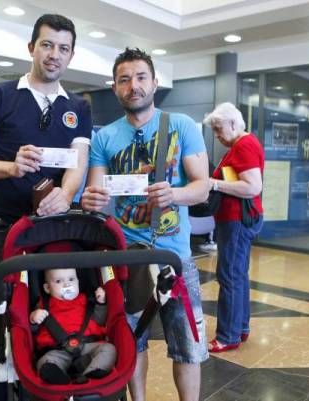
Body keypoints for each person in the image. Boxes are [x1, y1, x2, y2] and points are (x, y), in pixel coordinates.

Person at [0, 14, 92, 401]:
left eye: (64, 48)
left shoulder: (79, 107)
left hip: (52, 232)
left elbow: (78, 162)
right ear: (32, 47)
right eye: (48, 45)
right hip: (4, 230)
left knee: (47, 319)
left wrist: (68, 195)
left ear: (71, 55)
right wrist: (11, 166)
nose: (55, 54)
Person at [80, 47, 209, 401]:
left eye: (140, 78)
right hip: (128, 258)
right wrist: (90, 201)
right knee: (132, 341)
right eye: (124, 80)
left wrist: (174, 195)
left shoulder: (181, 126)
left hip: (175, 258)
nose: (133, 86)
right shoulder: (104, 138)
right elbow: (98, 192)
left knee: (187, 345)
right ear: (115, 87)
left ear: (154, 82)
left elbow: (202, 187)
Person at [203, 102, 264, 352]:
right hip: (236, 220)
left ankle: (228, 335)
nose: (217, 136)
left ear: (232, 123)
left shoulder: (244, 145)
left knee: (228, 275)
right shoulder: (242, 144)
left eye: (218, 129)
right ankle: (240, 326)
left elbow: (252, 186)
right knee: (238, 274)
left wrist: (214, 184)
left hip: (237, 220)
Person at [30, 268, 116, 384]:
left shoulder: (87, 300)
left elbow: (99, 321)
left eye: (71, 279)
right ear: (47, 288)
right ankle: (59, 379)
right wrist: (33, 318)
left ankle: (92, 373)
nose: (67, 284)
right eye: (59, 281)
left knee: (109, 349)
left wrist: (101, 303)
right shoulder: (43, 305)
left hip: (87, 347)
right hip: (58, 351)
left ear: (78, 282)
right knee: (44, 362)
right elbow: (32, 329)